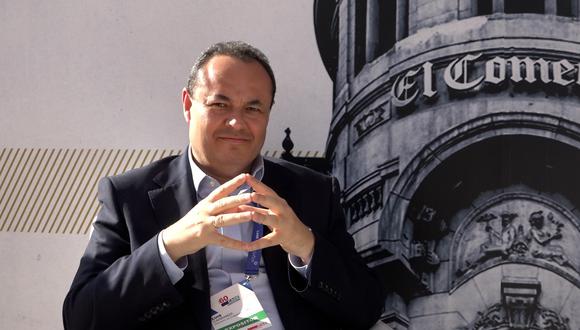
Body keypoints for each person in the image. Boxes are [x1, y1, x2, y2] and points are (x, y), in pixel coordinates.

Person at [63, 41, 384, 330]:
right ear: (188, 105)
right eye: (220, 105)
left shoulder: (312, 191)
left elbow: (366, 309)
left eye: (253, 108)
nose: (237, 122)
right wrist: (169, 246)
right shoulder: (130, 196)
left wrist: (305, 245)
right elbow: (82, 319)